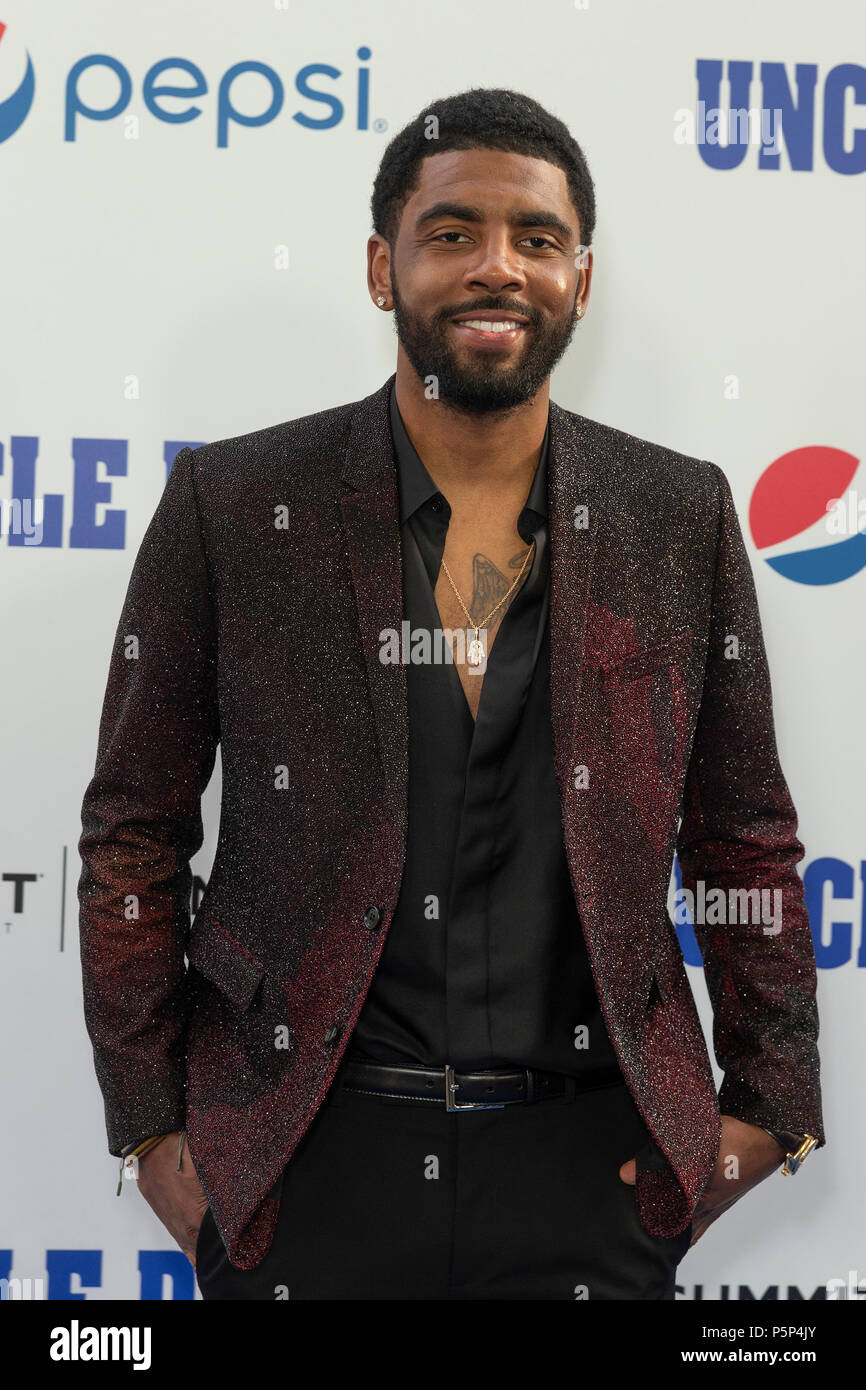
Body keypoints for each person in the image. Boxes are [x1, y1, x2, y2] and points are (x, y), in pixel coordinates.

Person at [78, 88, 823, 1301]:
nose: (496, 267)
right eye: (451, 232)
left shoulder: (672, 513)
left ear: (580, 280)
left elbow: (741, 836)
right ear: (383, 266)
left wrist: (765, 1111)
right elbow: (131, 836)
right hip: (304, 1173)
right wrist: (157, 1138)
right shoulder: (234, 507)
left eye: (536, 239)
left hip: (596, 1170)